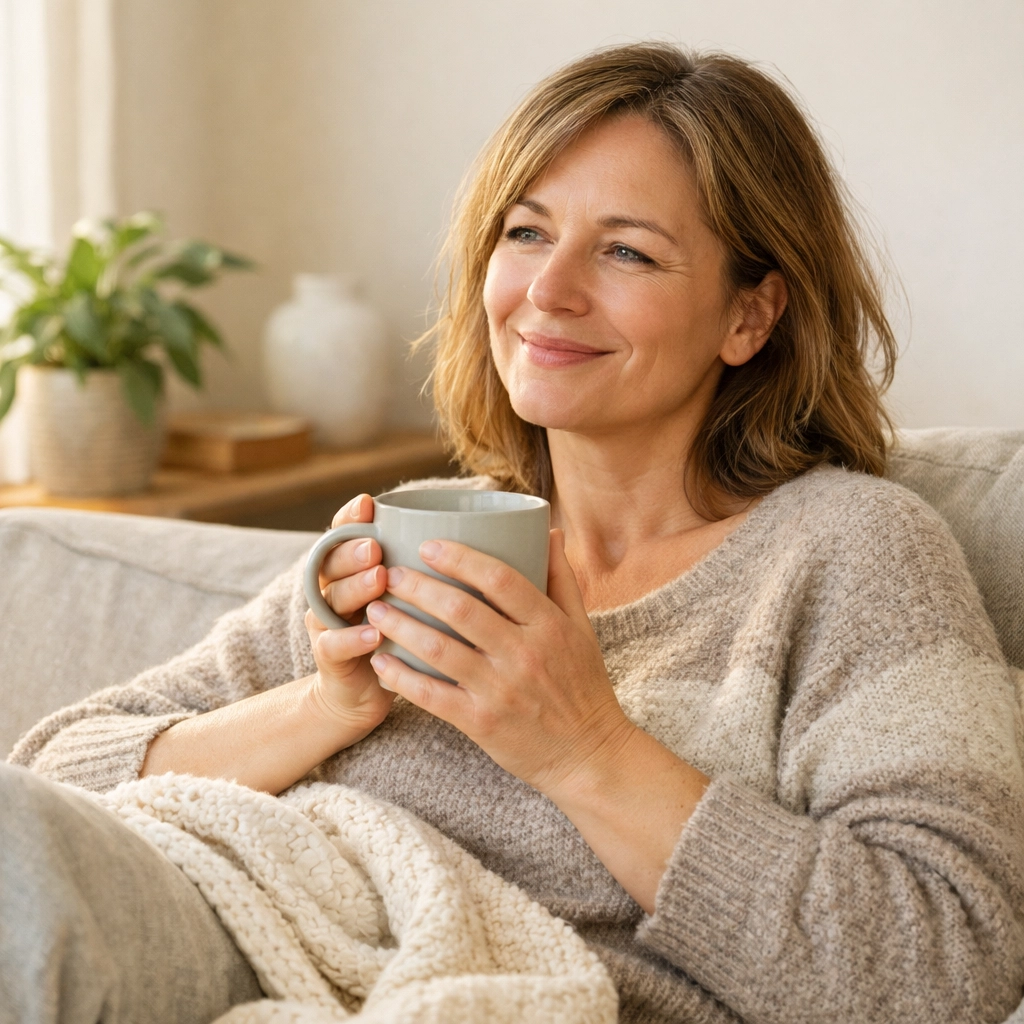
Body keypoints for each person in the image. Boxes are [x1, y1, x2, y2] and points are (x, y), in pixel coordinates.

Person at [5, 42, 1023, 1024]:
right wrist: (324, 704)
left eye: (625, 250)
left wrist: (585, 749)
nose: (547, 290)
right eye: (525, 233)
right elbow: (58, 776)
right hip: (224, 927)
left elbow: (942, 963)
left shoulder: (849, 552)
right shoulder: (420, 530)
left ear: (749, 317)